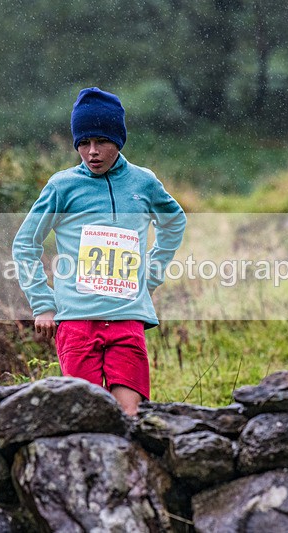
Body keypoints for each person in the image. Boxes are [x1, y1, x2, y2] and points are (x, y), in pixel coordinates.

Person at [12, 87, 186, 416]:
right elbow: (25, 243)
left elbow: (174, 222)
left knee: (129, 417)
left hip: (126, 319)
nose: (92, 152)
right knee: (88, 419)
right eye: (83, 143)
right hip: (76, 322)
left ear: (118, 141)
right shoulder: (62, 186)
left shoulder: (143, 183)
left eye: (101, 142)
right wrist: (43, 304)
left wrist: (150, 276)